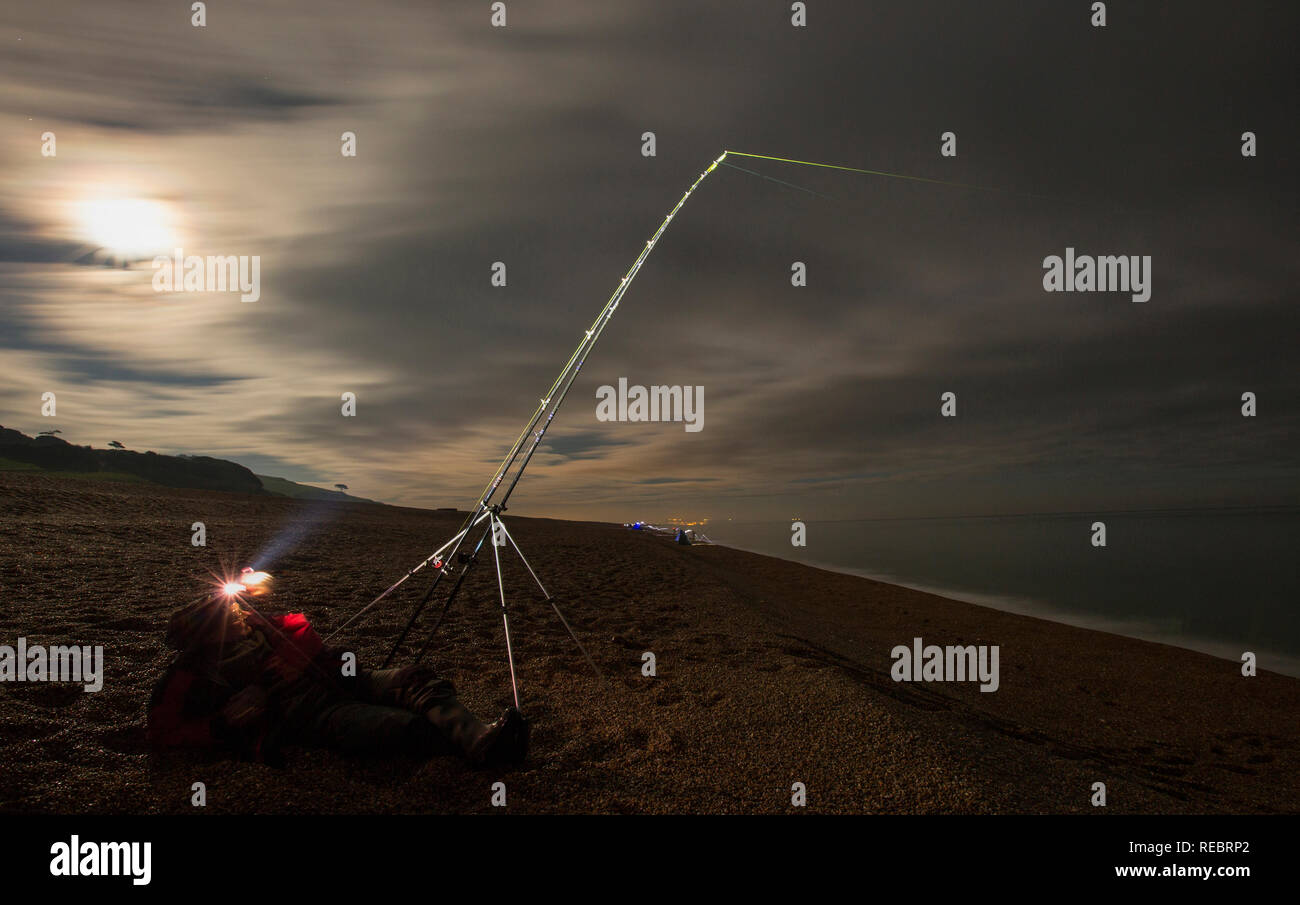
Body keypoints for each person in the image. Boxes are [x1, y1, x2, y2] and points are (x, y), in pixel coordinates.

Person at [147, 582, 527, 768]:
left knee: (415, 679)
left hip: (343, 681)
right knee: (400, 729)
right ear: (209, 631)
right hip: (311, 715)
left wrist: (309, 663)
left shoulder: (268, 628)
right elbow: (163, 729)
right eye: (230, 613)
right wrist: (223, 726)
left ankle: (479, 741)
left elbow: (328, 654)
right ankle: (465, 753)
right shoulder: (195, 675)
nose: (241, 612)